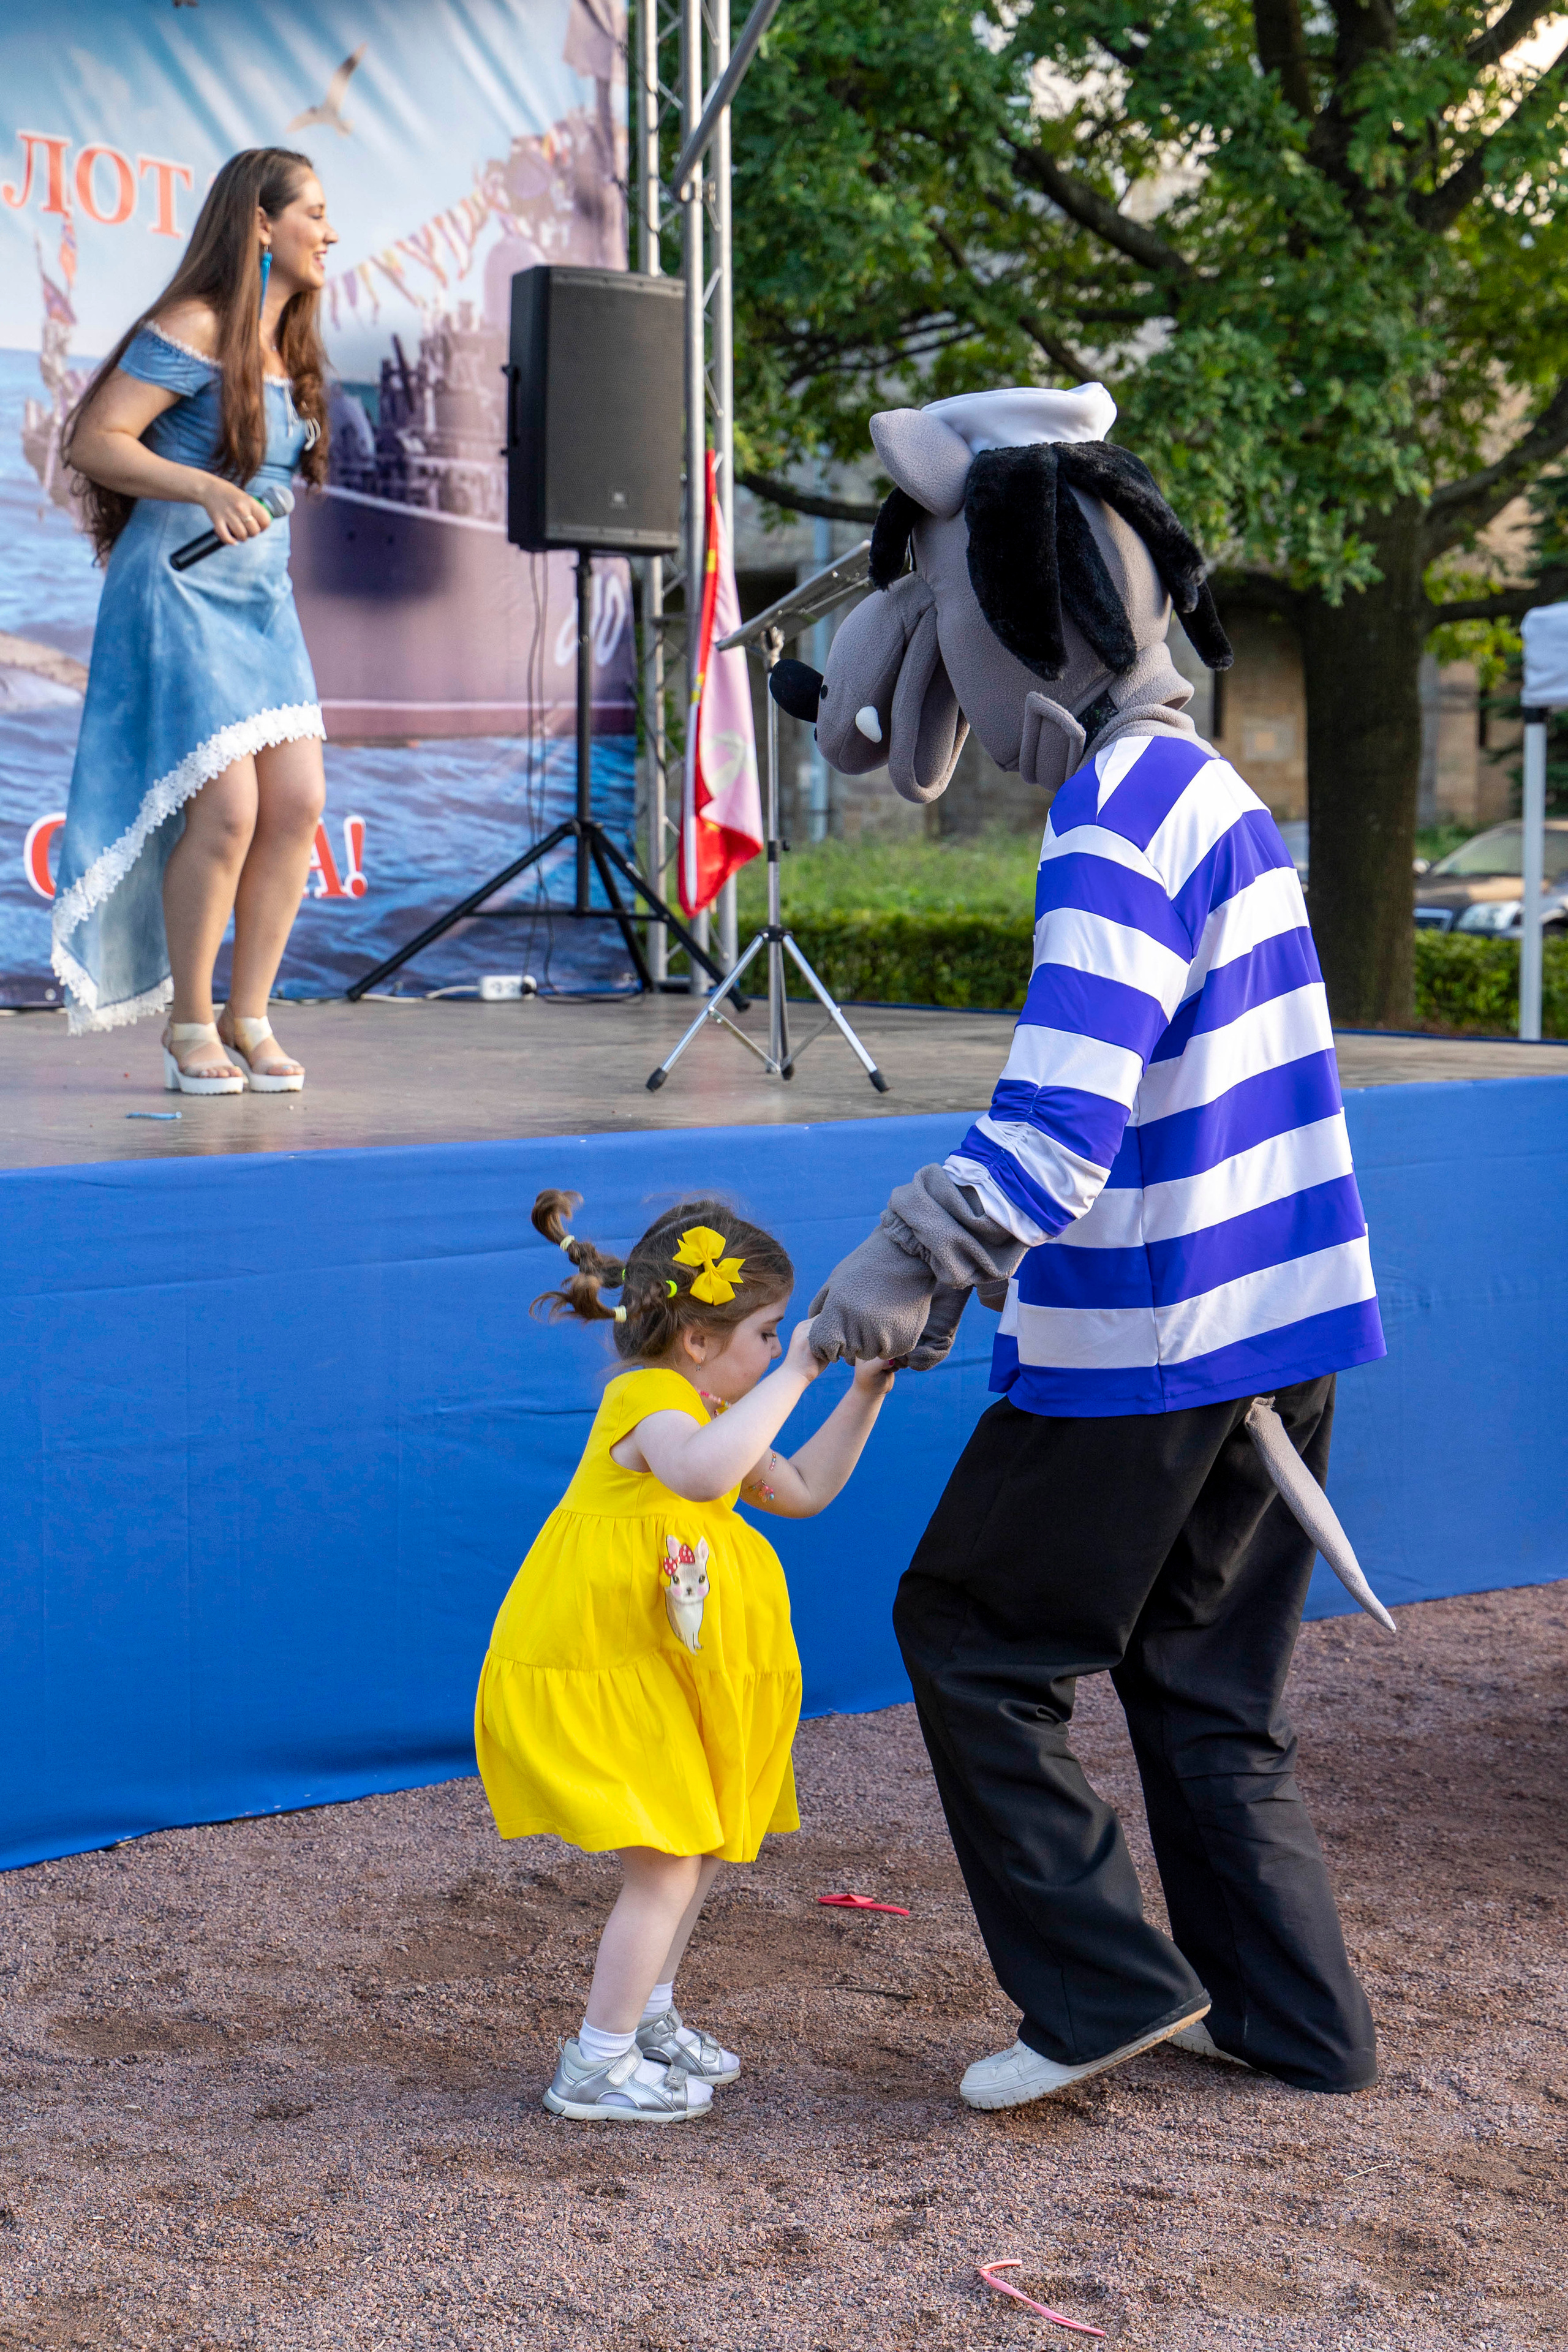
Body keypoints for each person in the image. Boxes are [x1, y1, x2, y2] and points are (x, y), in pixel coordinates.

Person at [791, 384, 1385, 2110]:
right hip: (1282, 1325)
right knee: (1206, 1686)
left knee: (971, 1632)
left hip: (1154, 1336)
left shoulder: (1118, 816)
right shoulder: (1218, 795)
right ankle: (1300, 2023)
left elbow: (1063, 1123)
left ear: (1025, 630)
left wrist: (902, 1267)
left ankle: (1101, 1988)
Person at [475, 1190, 894, 2122]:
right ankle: (597, 2061)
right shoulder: (649, 1400)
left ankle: (648, 2017)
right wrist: (800, 1371)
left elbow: (802, 1489)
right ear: (699, 1341)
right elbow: (704, 1474)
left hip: (659, 1666)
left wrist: (862, 1390)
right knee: (665, 1861)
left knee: (697, 1845)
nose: (777, 1349)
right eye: (766, 1333)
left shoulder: (706, 1403)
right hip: (602, 1666)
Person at [55, 148, 336, 1090]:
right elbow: (96, 440)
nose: (330, 233)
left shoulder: (287, 346)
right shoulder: (198, 324)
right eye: (315, 213)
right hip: (175, 586)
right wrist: (204, 485)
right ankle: (189, 1026)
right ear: (262, 221)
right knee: (227, 809)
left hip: (259, 596)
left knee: (297, 805)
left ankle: (250, 1016)